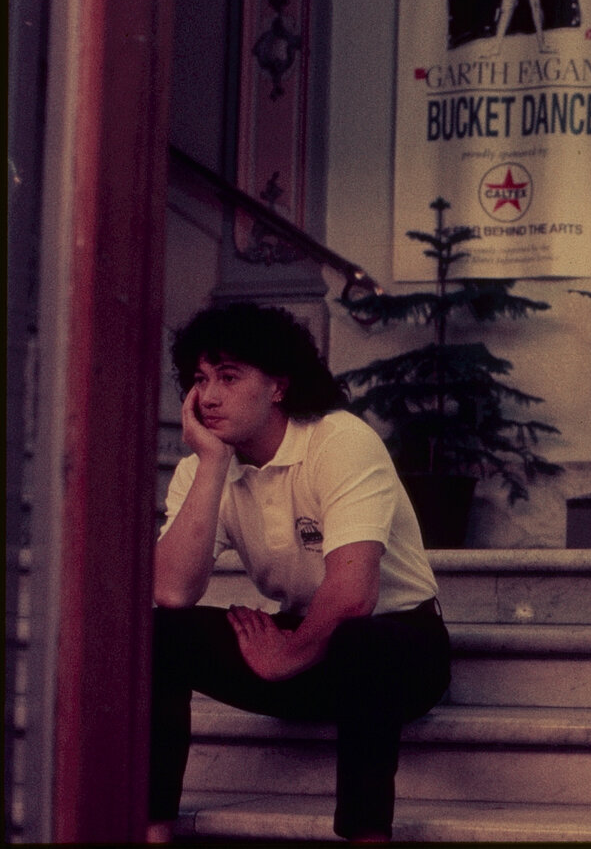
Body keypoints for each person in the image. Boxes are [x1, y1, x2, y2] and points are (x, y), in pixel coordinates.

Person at [148, 303, 450, 844]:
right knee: (156, 634)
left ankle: (366, 837)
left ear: (278, 387)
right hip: (304, 643)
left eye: (229, 377)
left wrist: (288, 653)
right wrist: (213, 466)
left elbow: (355, 593)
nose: (208, 396)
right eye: (200, 380)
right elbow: (170, 591)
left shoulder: (340, 440)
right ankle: (151, 832)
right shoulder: (201, 466)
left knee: (362, 642)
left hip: (399, 648)